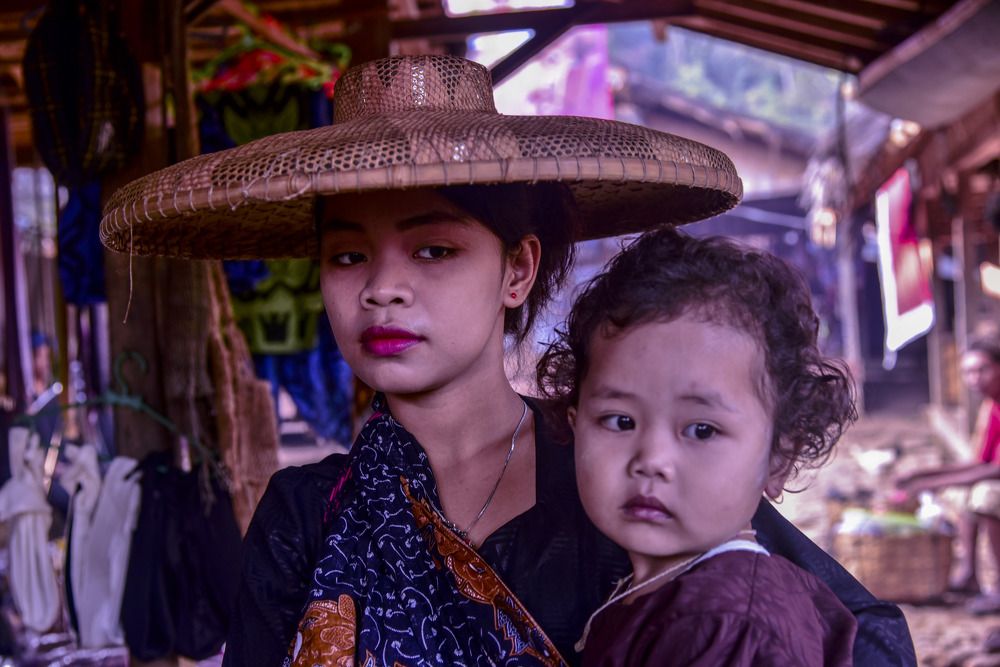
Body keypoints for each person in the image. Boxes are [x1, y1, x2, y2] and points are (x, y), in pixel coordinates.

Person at [100, 54, 914, 665]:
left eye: (434, 249)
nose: (383, 289)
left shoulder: (619, 471)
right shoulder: (306, 516)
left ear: (517, 269)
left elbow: (857, 637)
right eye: (348, 257)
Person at [537, 226, 858, 665]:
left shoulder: (726, 625)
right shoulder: (666, 592)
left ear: (778, 459)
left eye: (701, 430)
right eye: (620, 421)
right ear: (575, 429)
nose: (651, 461)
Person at [897, 335, 1000, 612]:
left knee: (987, 497)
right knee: (961, 493)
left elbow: (994, 470)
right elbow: (979, 461)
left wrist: (931, 481)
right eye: (968, 372)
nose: (974, 378)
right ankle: (970, 575)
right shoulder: (991, 406)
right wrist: (922, 474)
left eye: (982, 370)